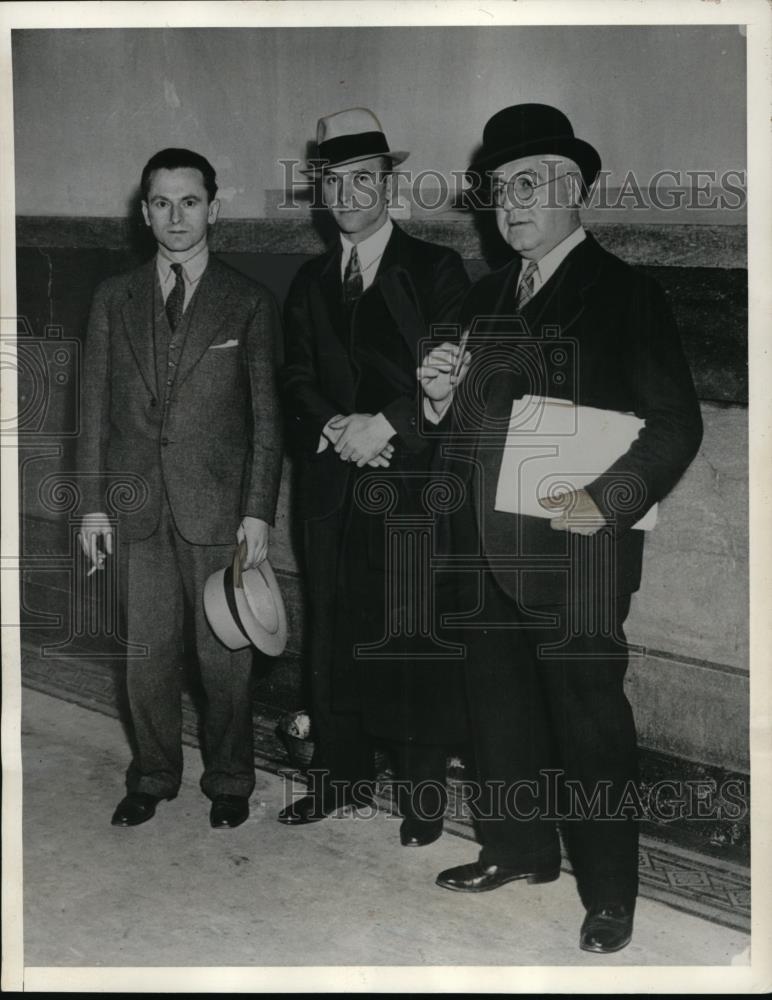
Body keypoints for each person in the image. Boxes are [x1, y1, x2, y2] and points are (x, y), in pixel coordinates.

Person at [418, 104, 703, 951]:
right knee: (497, 712)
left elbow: (676, 423)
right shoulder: (482, 294)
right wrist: (439, 401)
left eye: (530, 184)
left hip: (576, 551)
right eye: (500, 189)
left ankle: (610, 895)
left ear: (575, 190)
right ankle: (519, 849)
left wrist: (605, 500)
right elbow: (472, 421)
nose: (511, 204)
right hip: (485, 546)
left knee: (589, 725)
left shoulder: (627, 292)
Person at [279, 108, 471, 844]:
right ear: (322, 193)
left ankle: (423, 801)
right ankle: (339, 778)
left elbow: (450, 368)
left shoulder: (435, 269)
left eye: (365, 178)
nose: (350, 193)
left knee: (409, 630)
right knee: (331, 628)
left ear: (389, 185)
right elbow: (295, 376)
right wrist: (335, 427)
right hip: (331, 484)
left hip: (408, 483)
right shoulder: (307, 280)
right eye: (336, 181)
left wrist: (383, 424)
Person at [77, 148, 283, 830]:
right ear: (144, 213)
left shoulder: (248, 301)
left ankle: (229, 779)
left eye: (189, 201)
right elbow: (92, 409)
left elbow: (267, 420)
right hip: (135, 506)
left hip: (218, 511)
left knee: (224, 656)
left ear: (213, 209)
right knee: (146, 656)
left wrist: (257, 512)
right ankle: (154, 775)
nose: (175, 216)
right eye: (161, 203)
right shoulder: (114, 297)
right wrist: (93, 505)